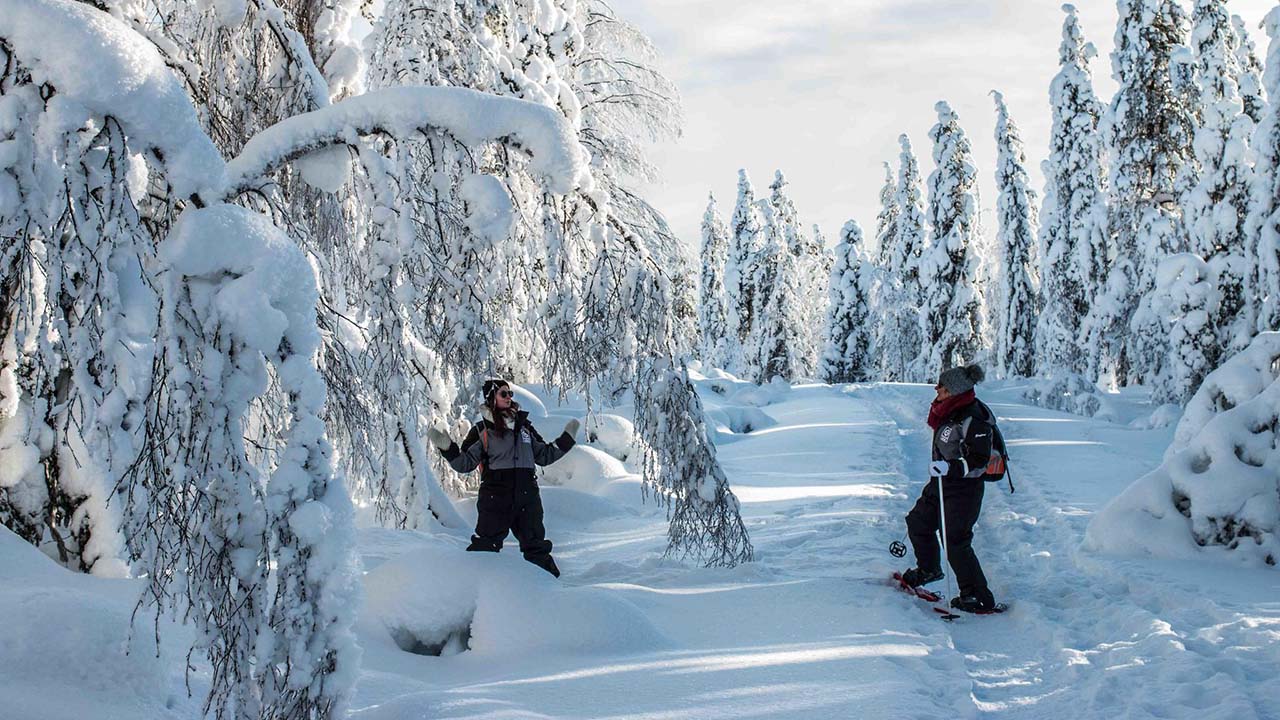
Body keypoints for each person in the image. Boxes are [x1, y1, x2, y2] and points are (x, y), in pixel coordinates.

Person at [427, 379, 579, 577]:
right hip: (496, 497)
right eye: (503, 394)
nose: (509, 398)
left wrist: (565, 441)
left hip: (527, 496)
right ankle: (471, 587)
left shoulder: (525, 428)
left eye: (510, 394)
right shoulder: (482, 430)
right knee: (485, 546)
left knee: (536, 547)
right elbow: (465, 464)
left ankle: (548, 592)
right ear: (492, 398)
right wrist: (447, 448)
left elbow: (544, 456)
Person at [899, 364, 1000, 613]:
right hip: (941, 483)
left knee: (955, 541)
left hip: (964, 489)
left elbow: (979, 461)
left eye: (942, 386)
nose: (937, 389)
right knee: (918, 522)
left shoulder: (973, 417)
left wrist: (950, 468)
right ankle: (929, 569)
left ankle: (977, 597)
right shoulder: (949, 411)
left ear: (955, 390)